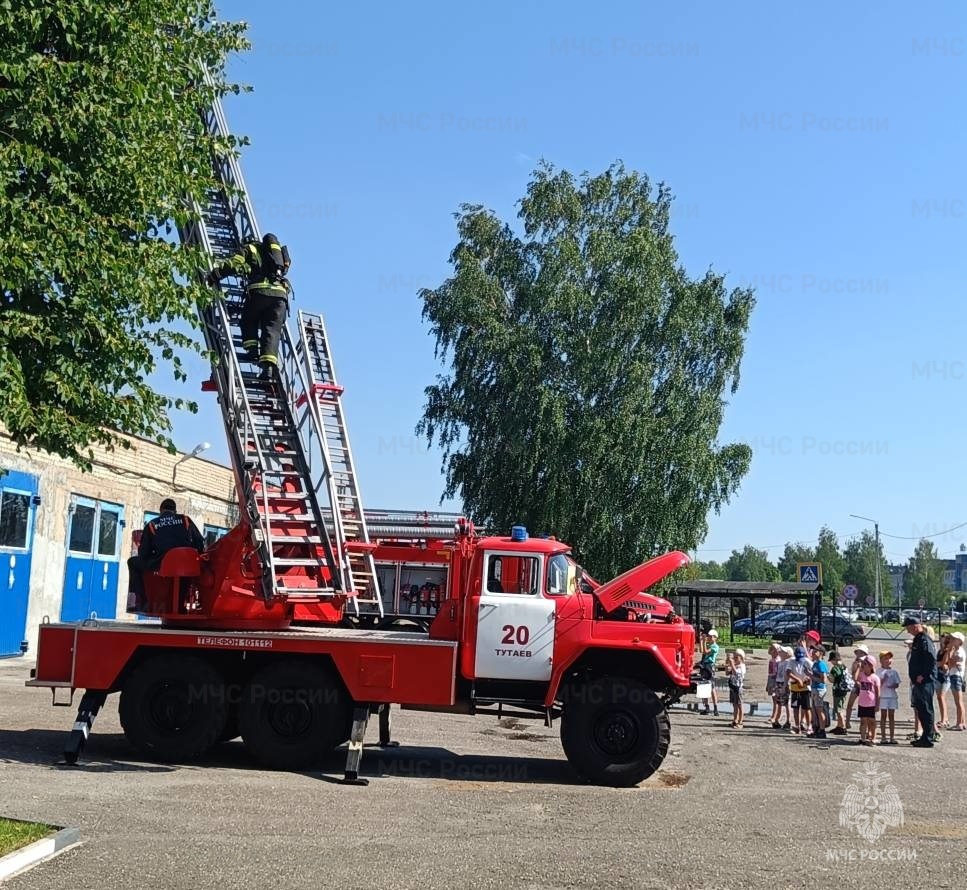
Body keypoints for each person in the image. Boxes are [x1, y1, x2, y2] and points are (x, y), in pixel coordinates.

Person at [208, 232, 291, 379]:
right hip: (280, 296)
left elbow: (235, 264)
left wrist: (215, 275)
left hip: (260, 291)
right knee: (272, 331)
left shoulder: (249, 248)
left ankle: (252, 351)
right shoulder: (273, 256)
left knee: (248, 320)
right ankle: (268, 369)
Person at [127, 498, 205, 610]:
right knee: (193, 570)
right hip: (186, 566)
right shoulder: (185, 520)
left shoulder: (152, 524)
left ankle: (141, 601)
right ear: (175, 511)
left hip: (163, 564)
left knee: (133, 562)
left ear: (161, 510)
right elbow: (200, 543)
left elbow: (143, 554)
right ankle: (185, 604)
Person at [904, 615, 938, 748]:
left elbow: (930, 660)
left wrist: (922, 675)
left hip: (925, 681)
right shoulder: (918, 640)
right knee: (921, 709)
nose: (908, 631)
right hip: (919, 682)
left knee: (926, 709)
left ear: (915, 626)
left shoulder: (924, 640)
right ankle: (925, 736)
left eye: (908, 628)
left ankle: (928, 738)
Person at [876, 650, 901, 745]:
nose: (888, 660)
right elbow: (878, 684)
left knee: (891, 716)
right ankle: (883, 737)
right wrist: (884, 679)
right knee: (883, 716)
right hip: (883, 696)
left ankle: (892, 737)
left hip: (892, 696)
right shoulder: (878, 671)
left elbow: (897, 684)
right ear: (881, 660)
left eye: (889, 658)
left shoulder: (894, 671)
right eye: (885, 658)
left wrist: (894, 685)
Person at [843, 644, 870, 732]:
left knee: (863, 705)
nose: (859, 654)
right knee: (850, 704)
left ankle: (863, 725)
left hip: (863, 685)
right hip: (856, 685)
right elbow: (854, 675)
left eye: (861, 653)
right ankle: (847, 721)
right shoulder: (855, 663)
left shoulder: (867, 663)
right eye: (858, 653)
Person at [855, 655, 880, 747]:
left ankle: (873, 738)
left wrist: (877, 704)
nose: (863, 666)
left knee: (872, 721)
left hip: (871, 703)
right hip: (862, 702)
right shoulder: (862, 675)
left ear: (870, 666)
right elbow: (856, 679)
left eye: (865, 664)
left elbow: (878, 693)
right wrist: (858, 668)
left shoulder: (875, 678)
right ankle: (862, 738)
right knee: (863, 721)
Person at [787, 647, 812, 735]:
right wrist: (798, 679)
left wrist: (808, 678)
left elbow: (812, 672)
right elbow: (788, 672)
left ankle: (809, 726)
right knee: (795, 708)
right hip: (795, 687)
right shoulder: (792, 661)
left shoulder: (807, 662)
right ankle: (797, 726)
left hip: (805, 688)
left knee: (806, 708)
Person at [936, 633, 956, 730]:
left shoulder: (949, 650)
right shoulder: (940, 650)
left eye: (943, 639)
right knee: (939, 698)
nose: (941, 640)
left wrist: (936, 664)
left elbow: (943, 662)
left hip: (945, 676)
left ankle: (944, 719)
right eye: (941, 639)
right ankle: (944, 718)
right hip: (938, 675)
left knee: (942, 696)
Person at [697, 629, 720, 716]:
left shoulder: (715, 647)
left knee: (711, 687)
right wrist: (702, 641)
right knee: (704, 686)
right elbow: (702, 651)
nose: (709, 638)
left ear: (715, 638)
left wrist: (703, 642)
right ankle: (707, 707)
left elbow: (705, 651)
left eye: (711, 637)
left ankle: (715, 708)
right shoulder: (709, 645)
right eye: (709, 636)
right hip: (705, 666)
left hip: (709, 666)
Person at [828, 650, 851, 735]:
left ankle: (843, 727)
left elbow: (832, 679)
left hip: (838, 690)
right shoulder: (844, 666)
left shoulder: (835, 668)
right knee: (840, 707)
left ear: (834, 659)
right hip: (844, 689)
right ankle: (839, 725)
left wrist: (828, 676)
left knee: (838, 710)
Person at [809, 645, 830, 738]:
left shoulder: (821, 664)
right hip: (814, 688)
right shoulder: (815, 663)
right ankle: (816, 728)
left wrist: (811, 677)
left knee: (819, 709)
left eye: (815, 651)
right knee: (814, 709)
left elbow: (823, 680)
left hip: (819, 689)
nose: (812, 653)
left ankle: (822, 729)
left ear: (820, 653)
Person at [947, 631, 966, 730]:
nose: (952, 640)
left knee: (958, 701)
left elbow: (950, 663)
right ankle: (962, 722)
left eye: (954, 639)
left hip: (956, 676)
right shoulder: (957, 650)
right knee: (959, 701)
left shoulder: (958, 652)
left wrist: (950, 651)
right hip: (955, 675)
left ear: (959, 641)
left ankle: (959, 723)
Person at [725, 649, 746, 728]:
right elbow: (727, 673)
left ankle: (740, 721)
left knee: (739, 705)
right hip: (733, 687)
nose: (735, 659)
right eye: (734, 657)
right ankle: (735, 720)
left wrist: (732, 664)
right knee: (734, 705)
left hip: (738, 688)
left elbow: (736, 673)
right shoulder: (735, 665)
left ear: (741, 657)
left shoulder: (742, 666)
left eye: (736, 657)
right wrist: (727, 664)